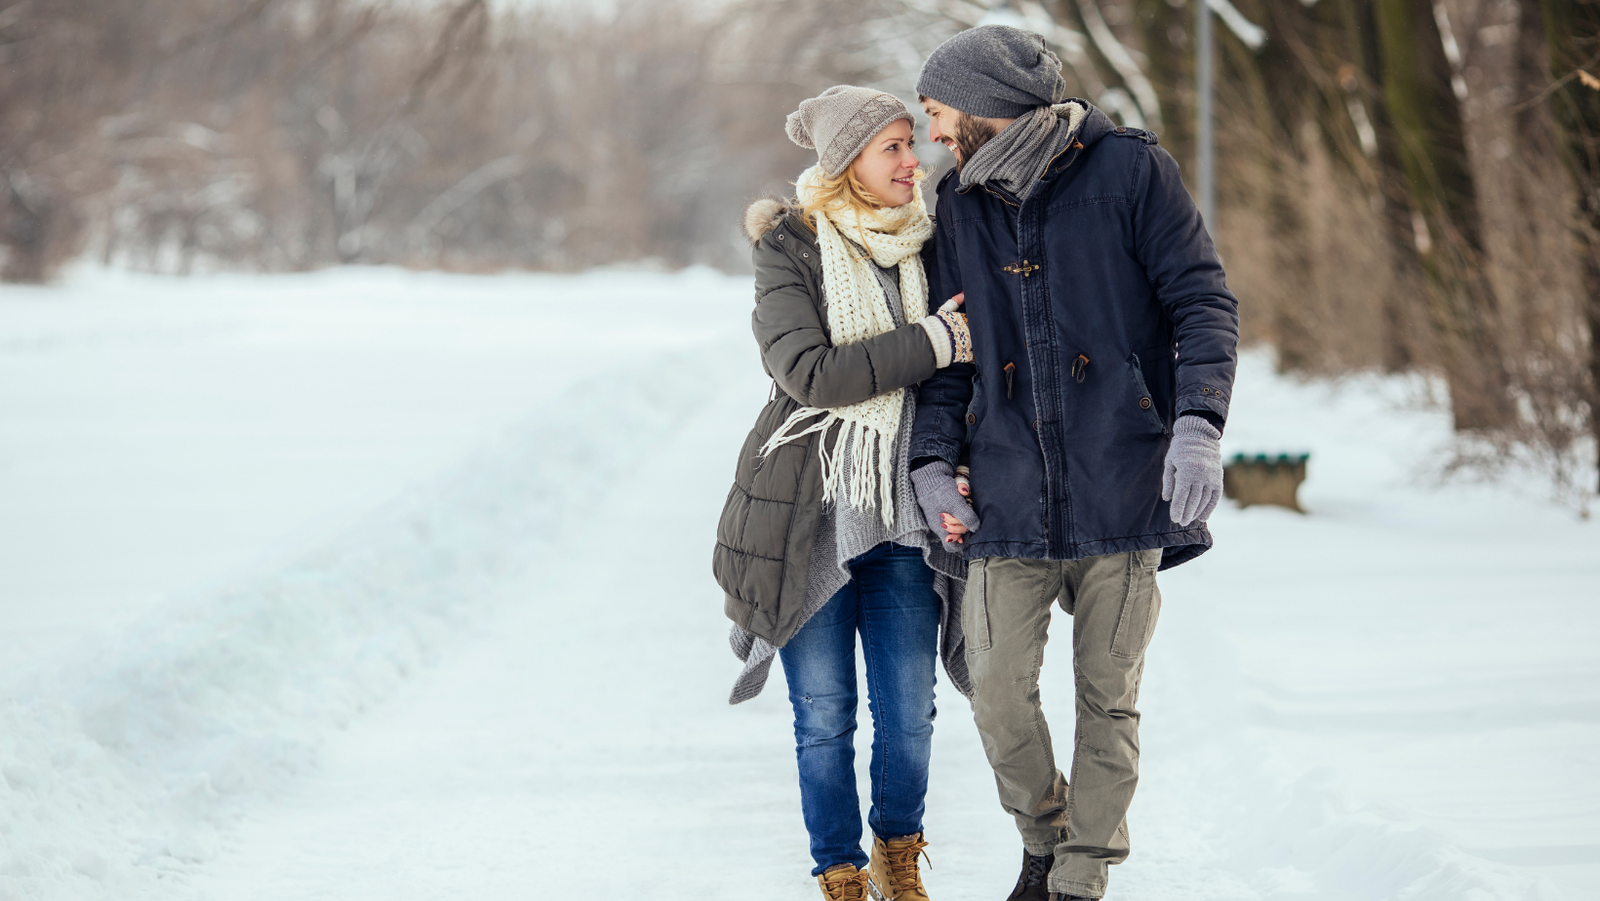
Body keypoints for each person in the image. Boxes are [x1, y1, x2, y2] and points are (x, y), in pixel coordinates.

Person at [904, 26, 1241, 901]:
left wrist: (1197, 421)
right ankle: (1046, 839)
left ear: (983, 104)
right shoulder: (960, 205)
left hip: (1123, 482)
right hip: (1006, 489)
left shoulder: (1130, 171)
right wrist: (935, 461)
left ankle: (1081, 880)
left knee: (1108, 699)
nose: (934, 132)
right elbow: (952, 353)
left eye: (938, 112)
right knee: (997, 695)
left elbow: (1202, 300)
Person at [712, 85, 977, 901]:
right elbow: (812, 374)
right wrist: (932, 339)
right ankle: (840, 870)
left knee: (910, 712)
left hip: (900, 512)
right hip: (807, 514)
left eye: (912, 142)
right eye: (893, 147)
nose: (913, 160)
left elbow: (960, 381)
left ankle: (899, 852)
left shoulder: (932, 241)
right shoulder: (788, 247)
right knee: (824, 715)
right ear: (846, 162)